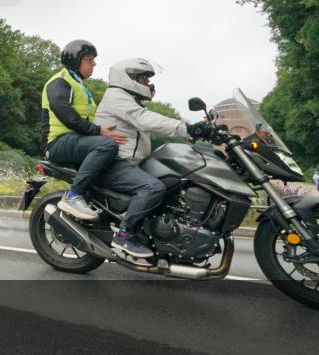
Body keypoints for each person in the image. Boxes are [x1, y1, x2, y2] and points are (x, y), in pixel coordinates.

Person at [93, 58, 209, 257]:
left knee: (175, 181)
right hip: (115, 163)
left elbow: (153, 123)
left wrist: (193, 132)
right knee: (153, 188)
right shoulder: (116, 97)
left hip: (131, 163)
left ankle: (156, 233)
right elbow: (146, 119)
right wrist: (185, 128)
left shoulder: (129, 100)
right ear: (127, 77)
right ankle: (124, 235)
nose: (147, 82)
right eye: (143, 77)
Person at [42, 40, 126, 221]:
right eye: (89, 59)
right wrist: (97, 131)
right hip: (57, 142)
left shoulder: (80, 85)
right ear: (75, 60)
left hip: (75, 140)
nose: (94, 64)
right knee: (107, 146)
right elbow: (65, 113)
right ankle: (73, 196)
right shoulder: (59, 82)